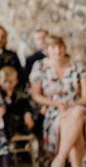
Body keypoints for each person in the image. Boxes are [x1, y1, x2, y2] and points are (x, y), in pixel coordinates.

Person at [29, 35, 86, 167]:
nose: (58, 50)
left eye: (60, 47)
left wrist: (70, 105)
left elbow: (85, 97)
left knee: (76, 114)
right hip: (52, 111)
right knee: (75, 124)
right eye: (53, 47)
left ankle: (60, 159)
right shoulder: (40, 66)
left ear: (65, 48)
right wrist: (57, 104)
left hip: (76, 106)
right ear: (48, 49)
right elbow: (35, 95)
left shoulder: (77, 66)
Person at [0, 66, 35, 138]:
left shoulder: (19, 93)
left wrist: (27, 114)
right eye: (5, 81)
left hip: (18, 122)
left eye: (11, 82)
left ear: (16, 81)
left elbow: (26, 105)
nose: (8, 84)